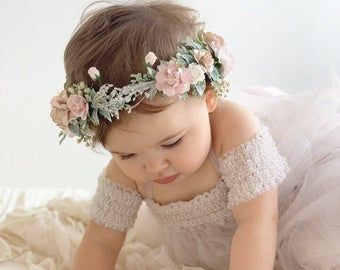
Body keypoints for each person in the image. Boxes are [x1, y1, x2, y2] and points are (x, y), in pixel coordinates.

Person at [49, 1, 340, 269]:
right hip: (213, 241)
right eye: (126, 154)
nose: (153, 167)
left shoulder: (235, 131)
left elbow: (258, 221)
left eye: (172, 142)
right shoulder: (126, 174)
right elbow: (101, 240)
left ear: (209, 99)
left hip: (279, 211)